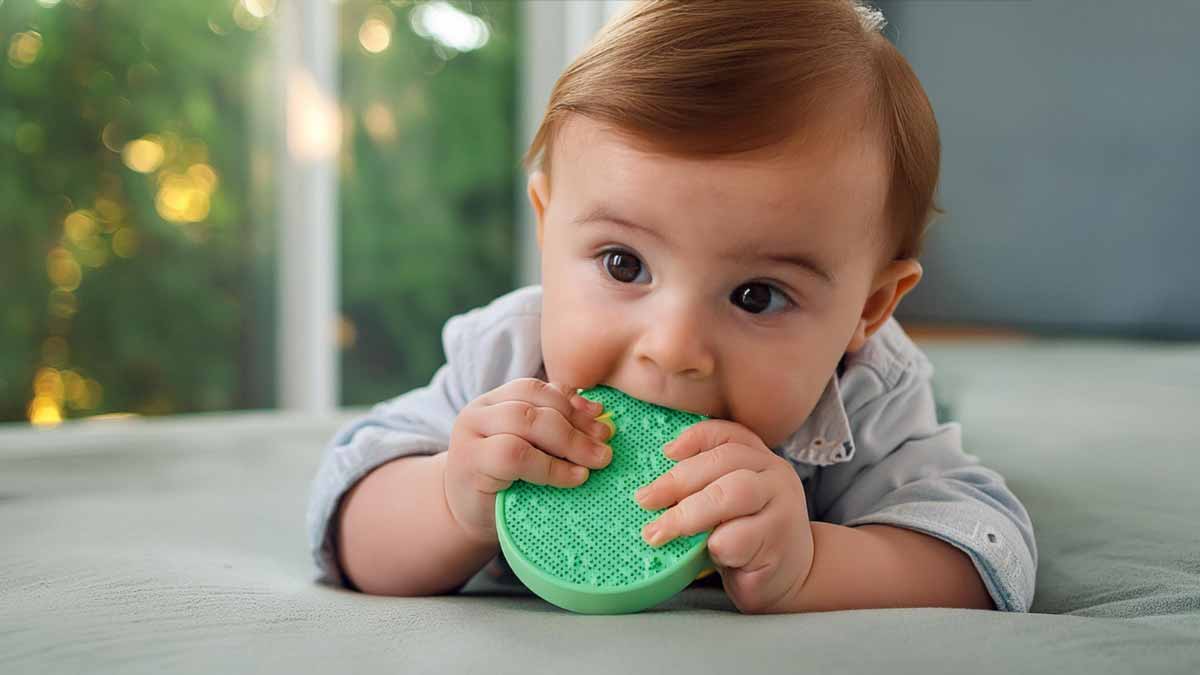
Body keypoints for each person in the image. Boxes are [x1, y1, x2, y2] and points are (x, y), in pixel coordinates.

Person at [307, 0, 1037, 614]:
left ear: (867, 310)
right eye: (624, 264)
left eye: (758, 295)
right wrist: (449, 499)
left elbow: (985, 552)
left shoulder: (865, 391)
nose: (673, 345)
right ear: (546, 226)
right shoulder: (510, 359)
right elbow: (346, 516)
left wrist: (813, 563)